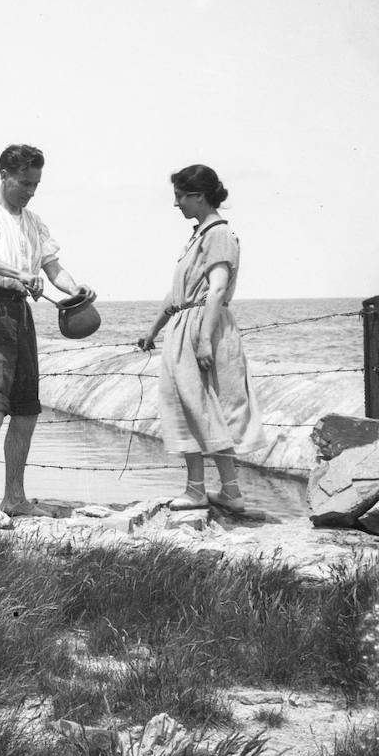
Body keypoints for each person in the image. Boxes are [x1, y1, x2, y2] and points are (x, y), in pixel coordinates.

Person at [0, 144, 93, 529]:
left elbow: (53, 267)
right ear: (4, 175)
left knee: (27, 411)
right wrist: (18, 273)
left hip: (20, 314)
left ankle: (14, 497)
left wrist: (74, 289)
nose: (30, 191)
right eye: (24, 183)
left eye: (35, 184)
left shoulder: (34, 223)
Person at [136, 164, 266, 513]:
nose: (176, 203)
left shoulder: (218, 234)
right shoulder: (199, 235)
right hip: (187, 324)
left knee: (208, 407)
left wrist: (204, 339)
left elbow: (217, 288)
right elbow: (177, 293)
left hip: (202, 326)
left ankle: (205, 490)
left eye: (180, 196)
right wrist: (153, 329)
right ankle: (224, 491)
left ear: (199, 196)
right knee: (192, 406)